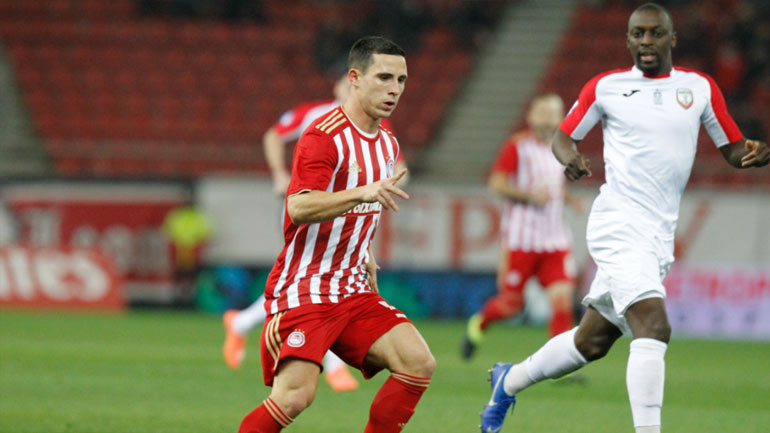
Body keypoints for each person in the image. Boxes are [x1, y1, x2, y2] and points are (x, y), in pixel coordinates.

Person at [480, 3, 769, 433]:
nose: (646, 41)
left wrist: (755, 152)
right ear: (628, 40)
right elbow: (564, 136)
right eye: (637, 34)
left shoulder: (699, 88)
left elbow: (732, 148)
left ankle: (509, 380)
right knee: (653, 325)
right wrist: (570, 158)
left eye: (655, 33)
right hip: (618, 222)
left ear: (672, 38)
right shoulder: (607, 87)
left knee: (592, 341)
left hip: (657, 234)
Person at [237, 36, 435, 433]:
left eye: (401, 80)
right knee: (295, 398)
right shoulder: (323, 136)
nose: (394, 89)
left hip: (352, 289)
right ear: (355, 78)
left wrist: (365, 253)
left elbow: (361, 212)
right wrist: (362, 192)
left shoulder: (386, 143)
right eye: (384, 78)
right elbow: (299, 207)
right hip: (306, 289)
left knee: (418, 363)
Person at [222, 74, 408, 393]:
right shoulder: (316, 116)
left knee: (317, 281)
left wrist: (383, 188)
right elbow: (273, 135)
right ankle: (333, 366)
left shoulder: (379, 125)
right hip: (313, 206)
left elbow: (399, 167)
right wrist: (279, 174)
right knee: (313, 277)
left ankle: (241, 322)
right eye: (346, 85)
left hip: (352, 212)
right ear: (341, 86)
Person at [461, 93, 583, 361]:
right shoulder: (517, 147)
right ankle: (479, 324)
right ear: (531, 116)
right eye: (543, 113)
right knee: (511, 306)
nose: (548, 119)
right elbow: (496, 184)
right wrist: (530, 196)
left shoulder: (562, 148)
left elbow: (554, 185)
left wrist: (570, 200)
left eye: (553, 113)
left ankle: (559, 363)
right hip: (521, 240)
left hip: (555, 240)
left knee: (562, 301)